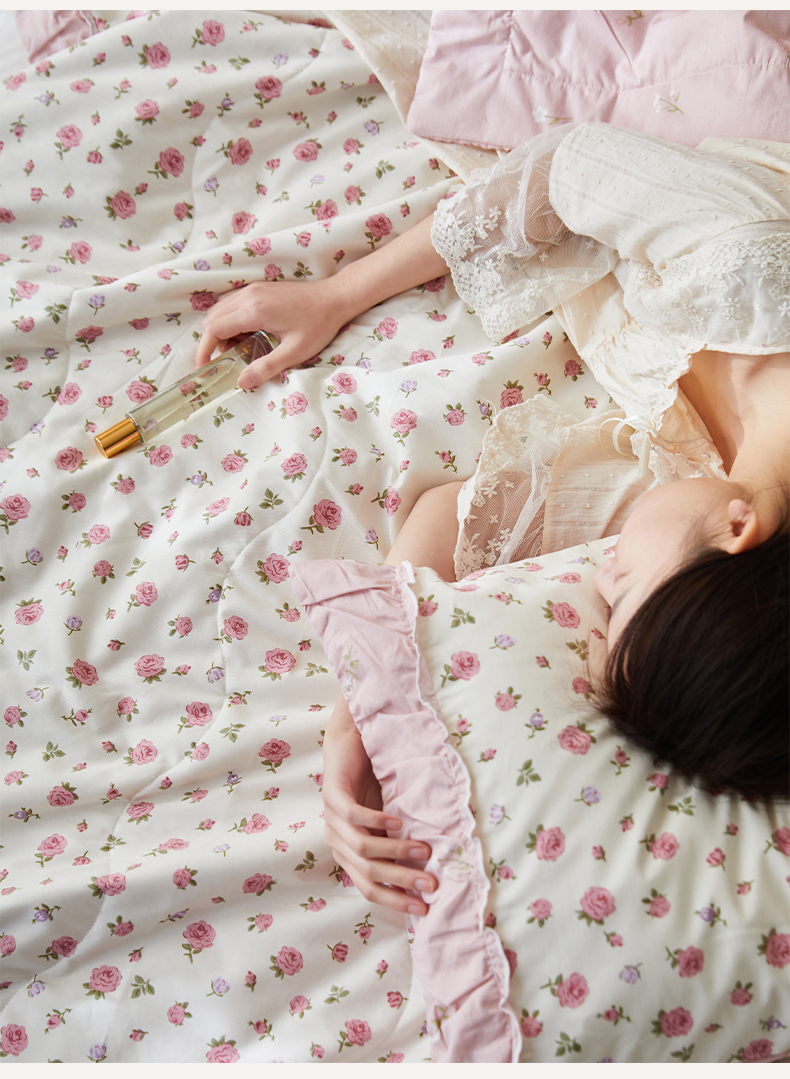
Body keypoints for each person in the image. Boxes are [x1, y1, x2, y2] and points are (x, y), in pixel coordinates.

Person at [196, 122, 790, 918]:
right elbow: (566, 168)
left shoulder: (699, 492)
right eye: (624, 590)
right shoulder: (749, 264)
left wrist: (365, 709)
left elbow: (452, 517)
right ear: (738, 533)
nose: (599, 575)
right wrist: (336, 296)